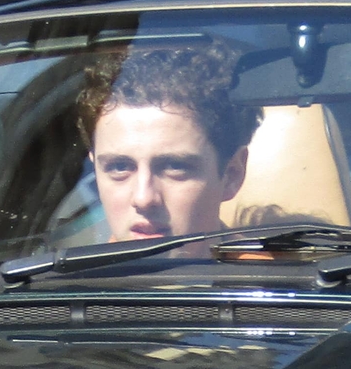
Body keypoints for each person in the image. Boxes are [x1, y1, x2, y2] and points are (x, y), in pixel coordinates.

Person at [81, 43, 254, 242]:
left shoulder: (277, 273)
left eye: (175, 166)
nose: (143, 198)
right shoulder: (53, 272)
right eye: (119, 167)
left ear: (232, 174)